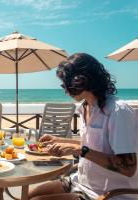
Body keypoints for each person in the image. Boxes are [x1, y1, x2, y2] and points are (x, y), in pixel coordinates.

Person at [29, 53, 138, 200]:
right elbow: (91, 146)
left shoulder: (117, 111)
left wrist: (80, 150)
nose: (65, 90)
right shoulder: (84, 107)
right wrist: (58, 140)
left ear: (81, 80)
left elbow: (129, 167)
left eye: (65, 84)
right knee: (27, 195)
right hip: (80, 182)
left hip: (108, 194)